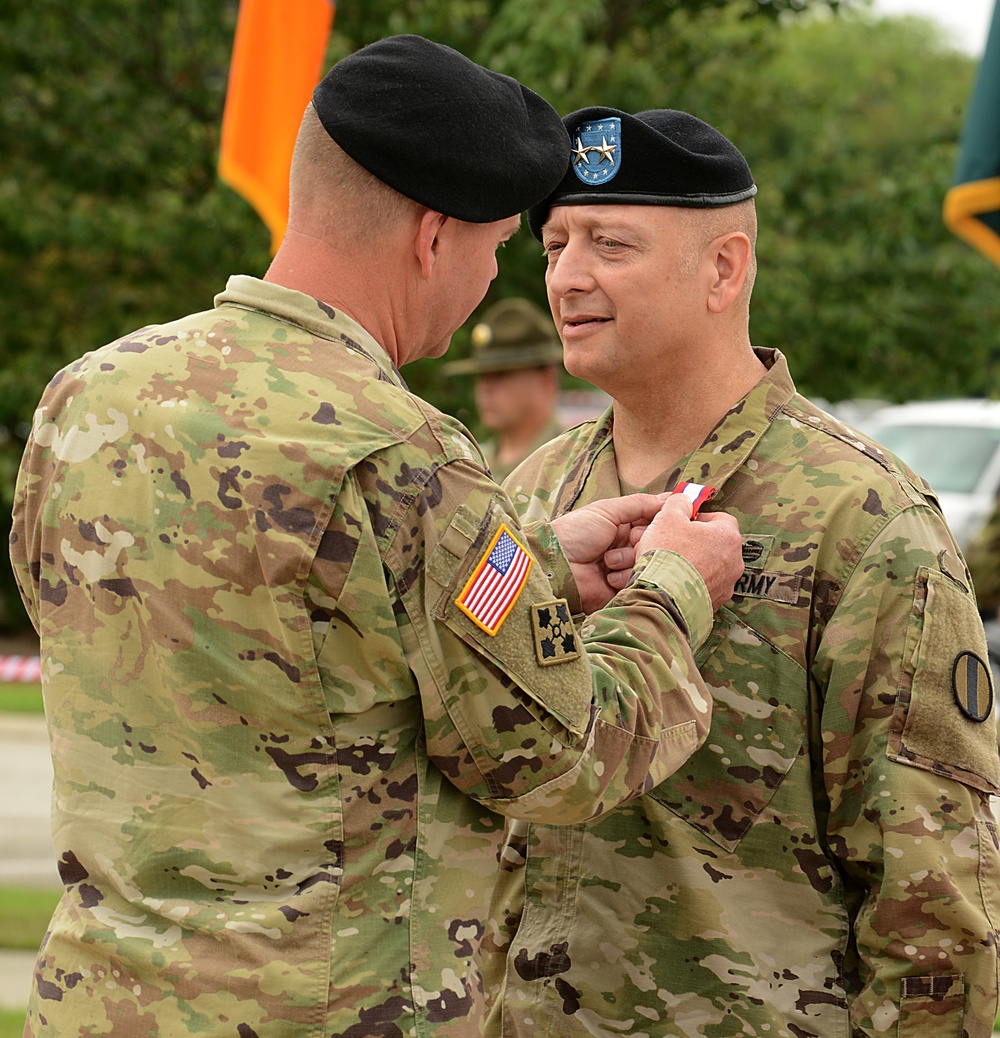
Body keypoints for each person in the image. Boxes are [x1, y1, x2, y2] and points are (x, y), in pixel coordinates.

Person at [9, 44, 746, 1038]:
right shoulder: (400, 450)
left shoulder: (90, 395)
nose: (491, 282)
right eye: (494, 252)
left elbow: (253, 616)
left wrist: (520, 551)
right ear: (432, 238)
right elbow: (559, 756)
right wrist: (670, 592)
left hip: (104, 1004)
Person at [485, 107, 1000, 1038]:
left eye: (611, 243)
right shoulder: (530, 493)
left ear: (723, 267)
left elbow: (929, 900)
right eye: (555, 244)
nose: (567, 276)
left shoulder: (865, 520)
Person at [443, 298, 565, 482]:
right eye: (482, 375)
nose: (486, 387)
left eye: (501, 374)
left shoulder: (573, 463)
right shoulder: (470, 465)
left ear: (546, 380)